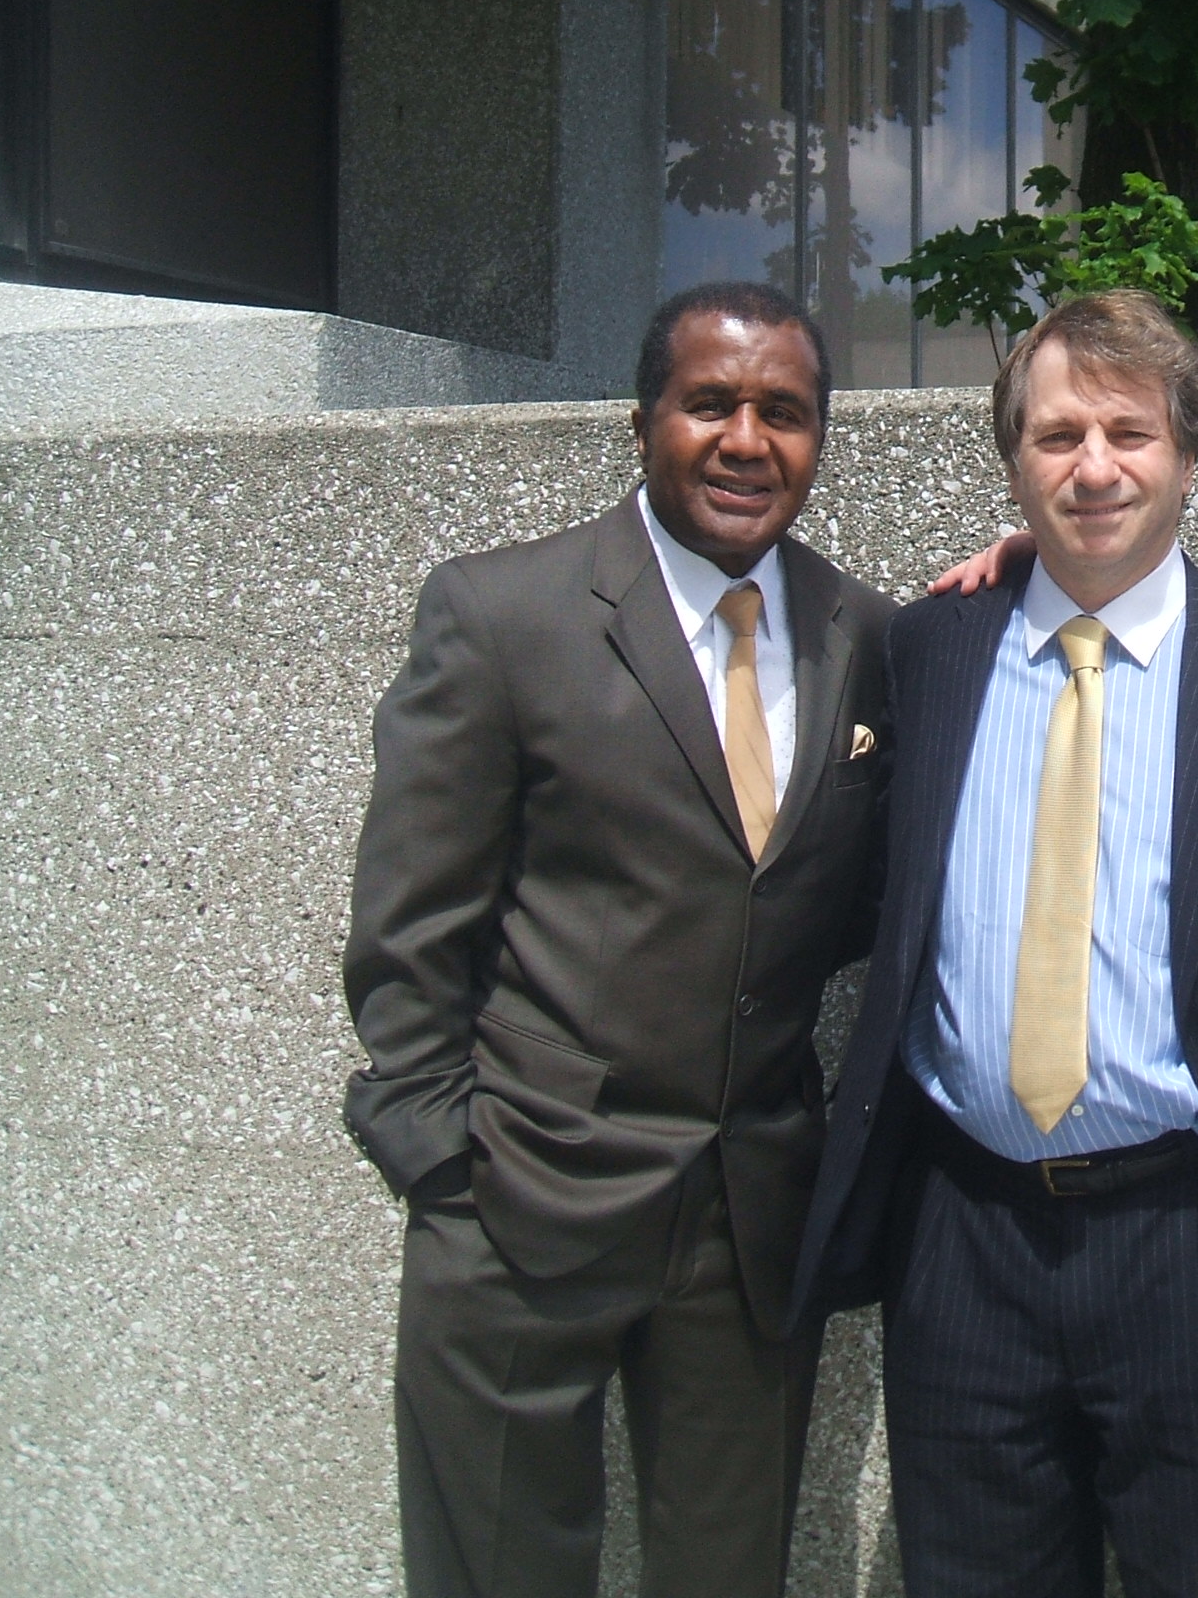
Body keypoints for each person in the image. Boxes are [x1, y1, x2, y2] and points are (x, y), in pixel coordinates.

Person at [342, 281, 894, 1598]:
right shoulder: (503, 616)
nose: (747, 440)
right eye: (710, 404)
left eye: (785, 412)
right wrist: (445, 1165)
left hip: (748, 1221)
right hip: (521, 1199)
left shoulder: (862, 634)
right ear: (642, 420)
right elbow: (408, 926)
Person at [789, 290, 1198, 1597]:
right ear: (1011, 463)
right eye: (1055, 434)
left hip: (1195, 1237)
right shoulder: (928, 650)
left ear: (1188, 453)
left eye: (1127, 432)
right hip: (965, 1230)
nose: (1092, 467)